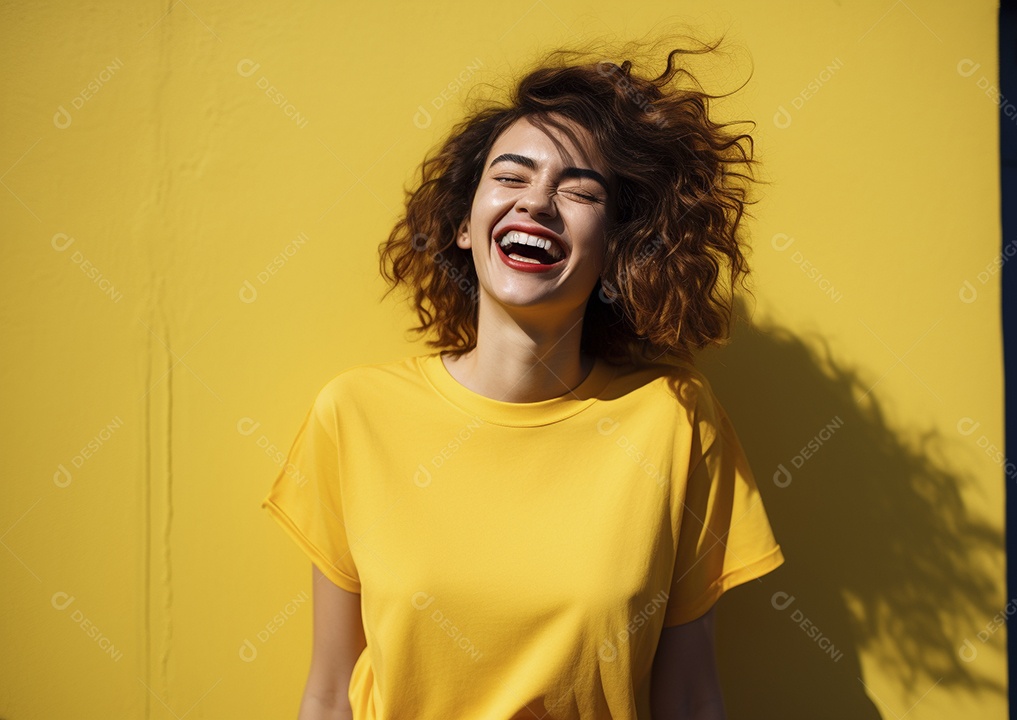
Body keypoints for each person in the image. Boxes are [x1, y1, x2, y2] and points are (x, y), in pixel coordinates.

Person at [261, 35, 784, 720]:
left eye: (580, 190)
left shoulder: (676, 420)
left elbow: (688, 697)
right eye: (510, 177)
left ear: (615, 246)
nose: (537, 202)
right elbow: (331, 694)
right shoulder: (354, 414)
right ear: (464, 225)